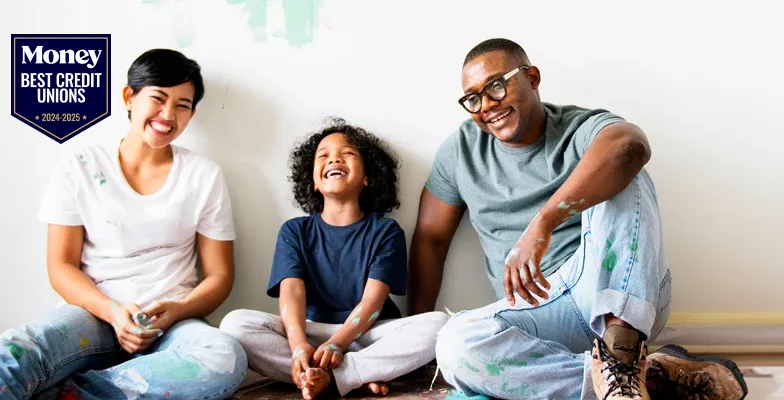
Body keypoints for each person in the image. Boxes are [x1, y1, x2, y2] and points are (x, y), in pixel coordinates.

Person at [407, 38, 748, 399]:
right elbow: (431, 237)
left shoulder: (578, 127)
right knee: (454, 346)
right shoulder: (459, 151)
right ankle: (639, 378)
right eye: (473, 98)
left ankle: (622, 348)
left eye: (496, 85)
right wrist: (415, 334)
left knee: (626, 172)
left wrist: (543, 224)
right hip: (535, 313)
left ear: (532, 78)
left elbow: (629, 146)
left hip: (614, 289)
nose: (487, 105)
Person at [0, 48, 248, 399]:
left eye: (182, 105)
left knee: (223, 355)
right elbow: (61, 266)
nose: (167, 114)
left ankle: (66, 393)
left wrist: (178, 309)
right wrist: (113, 312)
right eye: (158, 99)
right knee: (18, 347)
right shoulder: (80, 166)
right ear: (129, 97)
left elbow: (220, 276)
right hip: (93, 317)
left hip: (173, 326)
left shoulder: (203, 175)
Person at [220, 119, 450, 400]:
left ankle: (341, 375)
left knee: (438, 326)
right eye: (324, 155)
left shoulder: (386, 231)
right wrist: (298, 346)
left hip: (368, 335)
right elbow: (291, 294)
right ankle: (333, 374)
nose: (335, 159)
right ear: (313, 181)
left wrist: (337, 345)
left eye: (348, 153)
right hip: (312, 334)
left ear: (368, 177)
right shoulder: (295, 231)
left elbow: (372, 304)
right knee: (235, 324)